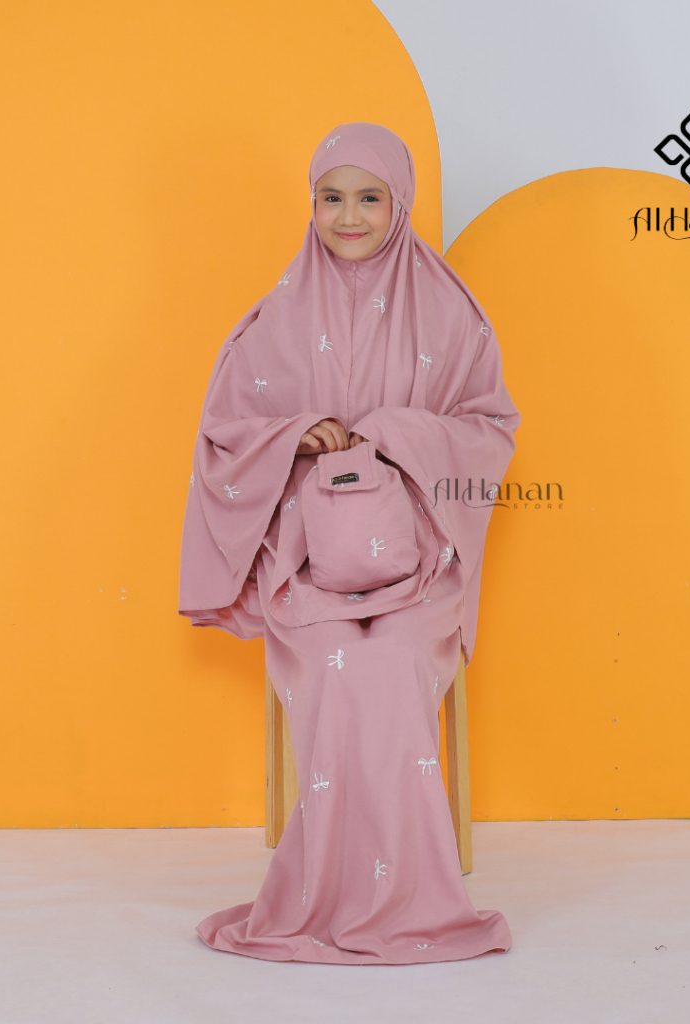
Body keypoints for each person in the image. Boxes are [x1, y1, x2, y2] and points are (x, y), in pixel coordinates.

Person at [179, 122, 519, 964]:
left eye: (369, 198)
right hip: (307, 563)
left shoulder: (452, 312)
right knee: (336, 669)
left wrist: (398, 431)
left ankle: (405, 898)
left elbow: (491, 430)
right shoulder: (273, 321)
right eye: (331, 198)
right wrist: (294, 435)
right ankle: (328, 897)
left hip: (421, 561)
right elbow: (223, 437)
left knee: (394, 663)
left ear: (399, 203)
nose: (349, 216)